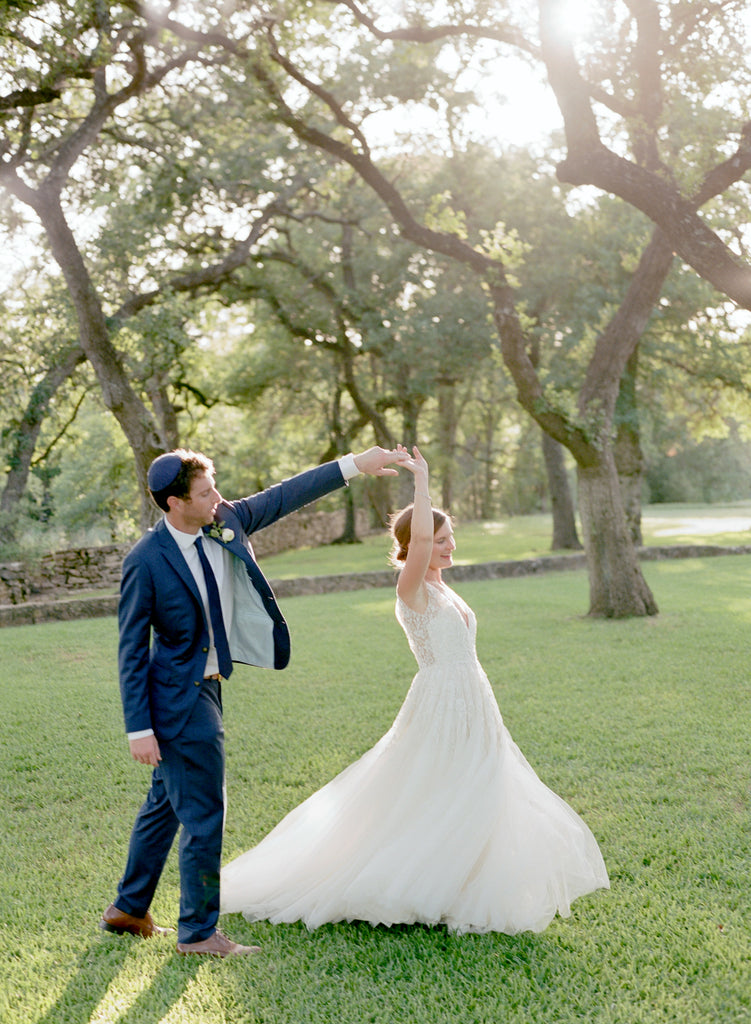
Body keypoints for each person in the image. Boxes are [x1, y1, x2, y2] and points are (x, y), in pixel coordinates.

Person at [220, 445, 609, 934]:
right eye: (439, 539)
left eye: (449, 539)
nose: (447, 546)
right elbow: (420, 541)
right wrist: (422, 484)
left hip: (474, 698)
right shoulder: (412, 588)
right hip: (441, 699)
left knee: (473, 784)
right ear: (412, 544)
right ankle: (408, 879)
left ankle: (464, 878)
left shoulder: (443, 586)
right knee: (435, 784)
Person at [100, 444, 408, 957]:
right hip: (180, 699)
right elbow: (131, 650)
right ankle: (198, 933)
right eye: (204, 493)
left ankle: (128, 909)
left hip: (210, 686)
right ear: (175, 503)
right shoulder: (146, 562)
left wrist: (358, 463)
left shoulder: (225, 521)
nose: (217, 498)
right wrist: (140, 728)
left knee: (165, 804)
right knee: (204, 812)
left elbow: (287, 495)